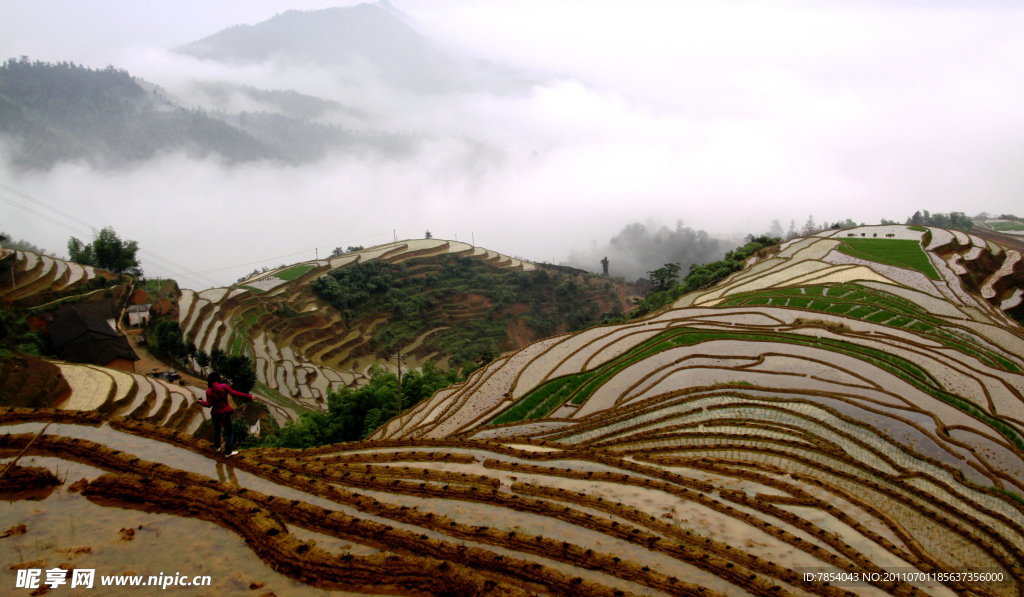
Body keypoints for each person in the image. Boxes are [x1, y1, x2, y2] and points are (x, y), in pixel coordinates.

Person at [199, 372, 254, 457]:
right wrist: (249, 396)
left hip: (215, 414)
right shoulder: (223, 386)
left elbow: (209, 405)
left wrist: (201, 402)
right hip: (224, 413)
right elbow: (235, 393)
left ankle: (217, 448)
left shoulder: (208, 391)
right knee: (230, 432)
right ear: (217, 378)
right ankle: (228, 452)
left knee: (217, 430)